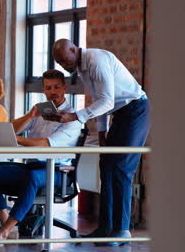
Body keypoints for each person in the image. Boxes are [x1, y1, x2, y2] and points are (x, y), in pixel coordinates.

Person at [51, 39, 150, 246]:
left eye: (63, 59)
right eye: (59, 62)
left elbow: (107, 101)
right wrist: (103, 133)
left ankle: (122, 230)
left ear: (73, 49)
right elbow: (101, 100)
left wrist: (75, 116)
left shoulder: (96, 60)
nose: (63, 64)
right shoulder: (82, 69)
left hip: (136, 110)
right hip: (120, 114)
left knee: (121, 168)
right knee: (106, 166)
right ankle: (106, 228)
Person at [0, 69, 81, 240]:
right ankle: (7, 224)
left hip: (59, 172)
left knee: (33, 177)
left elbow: (45, 144)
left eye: (56, 87)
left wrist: (15, 139)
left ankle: (4, 230)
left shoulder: (72, 118)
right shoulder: (41, 111)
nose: (53, 92)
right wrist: (30, 116)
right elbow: (11, 128)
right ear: (43, 90)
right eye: (48, 88)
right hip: (32, 166)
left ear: (64, 88)